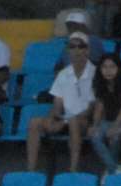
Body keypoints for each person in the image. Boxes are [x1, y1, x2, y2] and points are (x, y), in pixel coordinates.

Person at [27, 34, 100, 173]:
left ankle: (73, 170)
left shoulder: (95, 73)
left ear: (87, 50)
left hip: (85, 120)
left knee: (73, 121)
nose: (76, 50)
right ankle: (30, 170)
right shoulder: (63, 74)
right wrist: (54, 117)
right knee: (34, 122)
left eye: (80, 46)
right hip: (66, 119)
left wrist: (67, 120)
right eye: (72, 46)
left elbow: (92, 107)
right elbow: (57, 104)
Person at [84, 49, 121, 169]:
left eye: (112, 67)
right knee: (94, 135)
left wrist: (115, 126)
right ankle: (114, 168)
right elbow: (99, 106)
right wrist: (94, 124)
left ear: (118, 67)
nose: (108, 71)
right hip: (108, 120)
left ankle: (110, 170)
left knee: (115, 136)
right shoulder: (99, 81)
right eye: (104, 67)